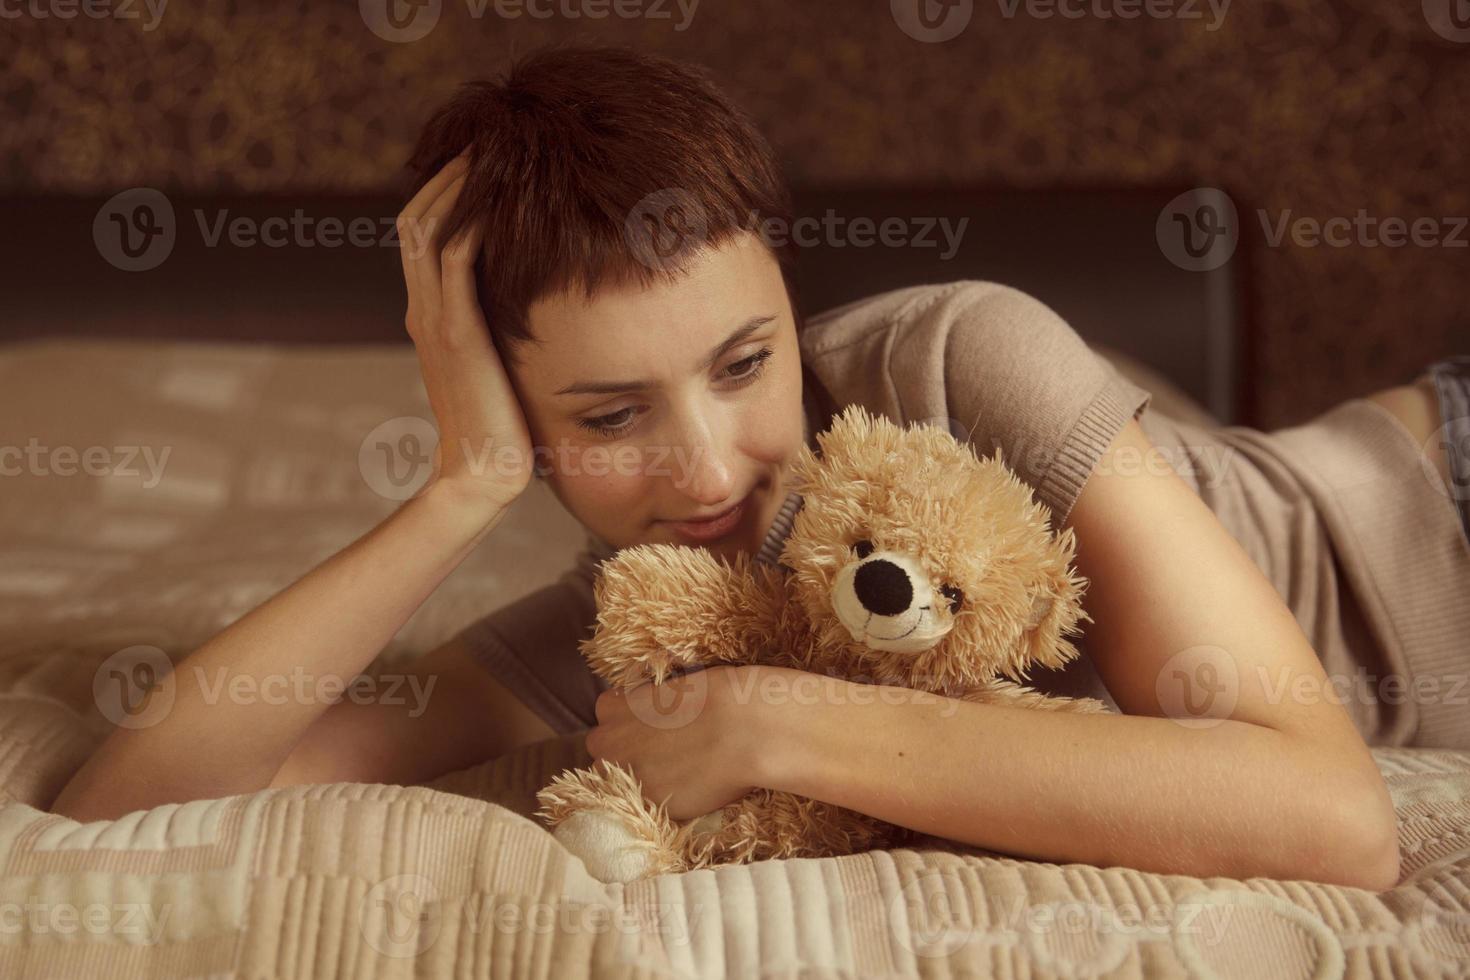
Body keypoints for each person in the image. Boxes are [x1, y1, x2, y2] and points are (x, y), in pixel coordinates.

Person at [51, 42, 1468, 894]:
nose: (708, 466)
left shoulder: (961, 354)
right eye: (605, 420)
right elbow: (126, 812)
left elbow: (1330, 822)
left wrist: (783, 726)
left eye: (744, 363)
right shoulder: (636, 618)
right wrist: (464, 485)